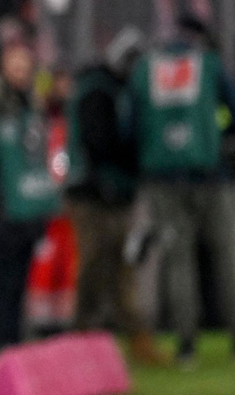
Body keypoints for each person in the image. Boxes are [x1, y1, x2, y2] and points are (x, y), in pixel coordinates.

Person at [129, 15, 235, 364]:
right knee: (228, 257)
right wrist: (212, 133)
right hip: (211, 175)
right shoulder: (208, 64)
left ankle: (186, 346)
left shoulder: (145, 70)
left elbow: (130, 124)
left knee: (178, 261)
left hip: (163, 179)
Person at [64, 28, 167, 365]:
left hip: (113, 193)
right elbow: (99, 143)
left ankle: (131, 337)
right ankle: (84, 338)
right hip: (92, 195)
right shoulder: (97, 90)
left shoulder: (114, 89)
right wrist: (129, 166)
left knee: (118, 267)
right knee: (96, 265)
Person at [0, 42, 60, 356]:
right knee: (2, 281)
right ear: (3, 68)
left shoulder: (34, 107)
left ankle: (13, 343)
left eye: (24, 65)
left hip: (28, 209)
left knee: (19, 281)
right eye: (14, 65)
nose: (20, 72)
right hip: (3, 210)